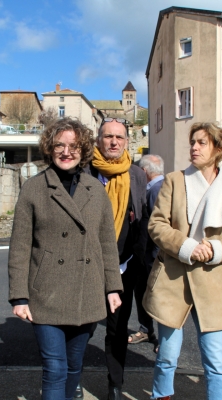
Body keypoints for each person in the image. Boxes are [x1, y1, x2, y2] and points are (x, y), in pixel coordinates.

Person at [8, 117, 123, 400]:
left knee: (74, 367)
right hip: (45, 293)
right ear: (50, 148)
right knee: (55, 368)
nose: (66, 151)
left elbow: (106, 242)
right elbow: (20, 246)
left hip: (87, 289)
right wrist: (19, 296)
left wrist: (113, 286)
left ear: (83, 149)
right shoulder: (34, 188)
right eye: (59, 145)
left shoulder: (95, 189)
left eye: (73, 146)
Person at [143, 122, 222, 400]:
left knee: (215, 360)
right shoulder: (174, 180)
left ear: (218, 148)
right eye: (193, 142)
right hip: (173, 278)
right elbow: (157, 225)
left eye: (202, 142)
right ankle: (160, 397)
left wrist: (214, 249)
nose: (194, 147)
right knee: (167, 356)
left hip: (212, 280)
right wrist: (188, 246)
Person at [84, 117, 148, 400]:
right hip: (87, 264)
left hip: (123, 266)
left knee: (117, 330)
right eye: (108, 137)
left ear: (126, 142)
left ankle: (115, 385)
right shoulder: (83, 171)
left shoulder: (137, 174)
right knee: (80, 327)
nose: (113, 142)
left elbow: (143, 219)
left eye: (119, 138)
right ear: (99, 139)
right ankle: (73, 378)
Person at [129, 154, 164, 350]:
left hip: (152, 256)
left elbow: (159, 227)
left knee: (155, 295)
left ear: (144, 172)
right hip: (146, 255)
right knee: (142, 291)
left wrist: (154, 258)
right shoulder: (160, 187)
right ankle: (146, 330)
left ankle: (160, 337)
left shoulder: (156, 190)